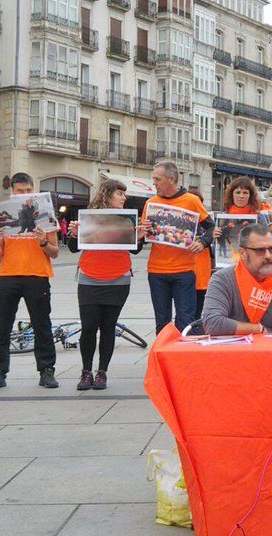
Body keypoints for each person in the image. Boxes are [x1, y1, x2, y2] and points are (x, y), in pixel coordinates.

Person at [68, 179, 147, 390]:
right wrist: (74, 234)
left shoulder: (126, 219)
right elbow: (74, 248)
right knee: (89, 327)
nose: (124, 197)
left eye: (124, 194)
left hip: (118, 277)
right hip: (90, 277)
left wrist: (139, 238)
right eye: (120, 193)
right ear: (108, 194)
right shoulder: (89, 216)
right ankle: (86, 372)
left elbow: (134, 250)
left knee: (108, 327)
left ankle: (102, 372)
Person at [0, 173, 61, 391]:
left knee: (42, 325)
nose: (24, 194)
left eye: (28, 190)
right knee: (3, 326)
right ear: (13, 192)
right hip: (9, 275)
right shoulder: (1, 217)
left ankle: (46, 370)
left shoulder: (45, 215)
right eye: (20, 191)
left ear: (33, 190)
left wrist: (44, 241)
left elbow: (54, 253)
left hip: (37, 274)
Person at [144, 161, 212, 334]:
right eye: (154, 179)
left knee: (186, 321)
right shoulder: (151, 204)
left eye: (157, 179)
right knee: (162, 322)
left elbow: (211, 227)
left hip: (184, 271)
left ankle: (184, 358)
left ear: (171, 179)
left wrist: (202, 242)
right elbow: (141, 238)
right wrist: (138, 235)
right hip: (157, 271)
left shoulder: (191, 200)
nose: (154, 183)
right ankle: (164, 358)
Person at [201, 224, 272, 335]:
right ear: (242, 253)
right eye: (260, 250)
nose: (268, 256)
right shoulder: (222, 280)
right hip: (234, 350)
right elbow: (212, 324)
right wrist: (258, 329)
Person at [188, 188, 213, 319]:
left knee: (199, 309)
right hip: (186, 270)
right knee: (186, 311)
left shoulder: (208, 222)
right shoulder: (182, 222)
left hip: (202, 271)